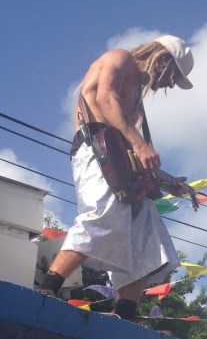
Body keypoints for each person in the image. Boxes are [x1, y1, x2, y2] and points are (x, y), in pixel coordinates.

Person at [39, 35, 194, 321]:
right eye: (175, 75)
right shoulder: (120, 58)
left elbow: (134, 152)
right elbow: (104, 97)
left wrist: (170, 181)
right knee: (102, 214)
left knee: (150, 235)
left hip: (119, 163)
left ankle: (124, 312)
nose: (172, 83)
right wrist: (138, 142)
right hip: (94, 149)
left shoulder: (138, 95)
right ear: (163, 58)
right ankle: (47, 287)